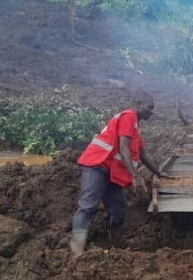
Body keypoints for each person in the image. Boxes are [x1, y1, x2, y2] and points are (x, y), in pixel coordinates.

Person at [70, 97, 164, 258]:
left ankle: (114, 245)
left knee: (119, 209)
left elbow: (142, 154)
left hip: (112, 172)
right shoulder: (128, 117)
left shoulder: (136, 128)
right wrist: (135, 177)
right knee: (87, 206)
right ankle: (77, 251)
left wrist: (159, 173)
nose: (151, 112)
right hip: (97, 165)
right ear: (138, 104)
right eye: (149, 107)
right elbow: (123, 147)